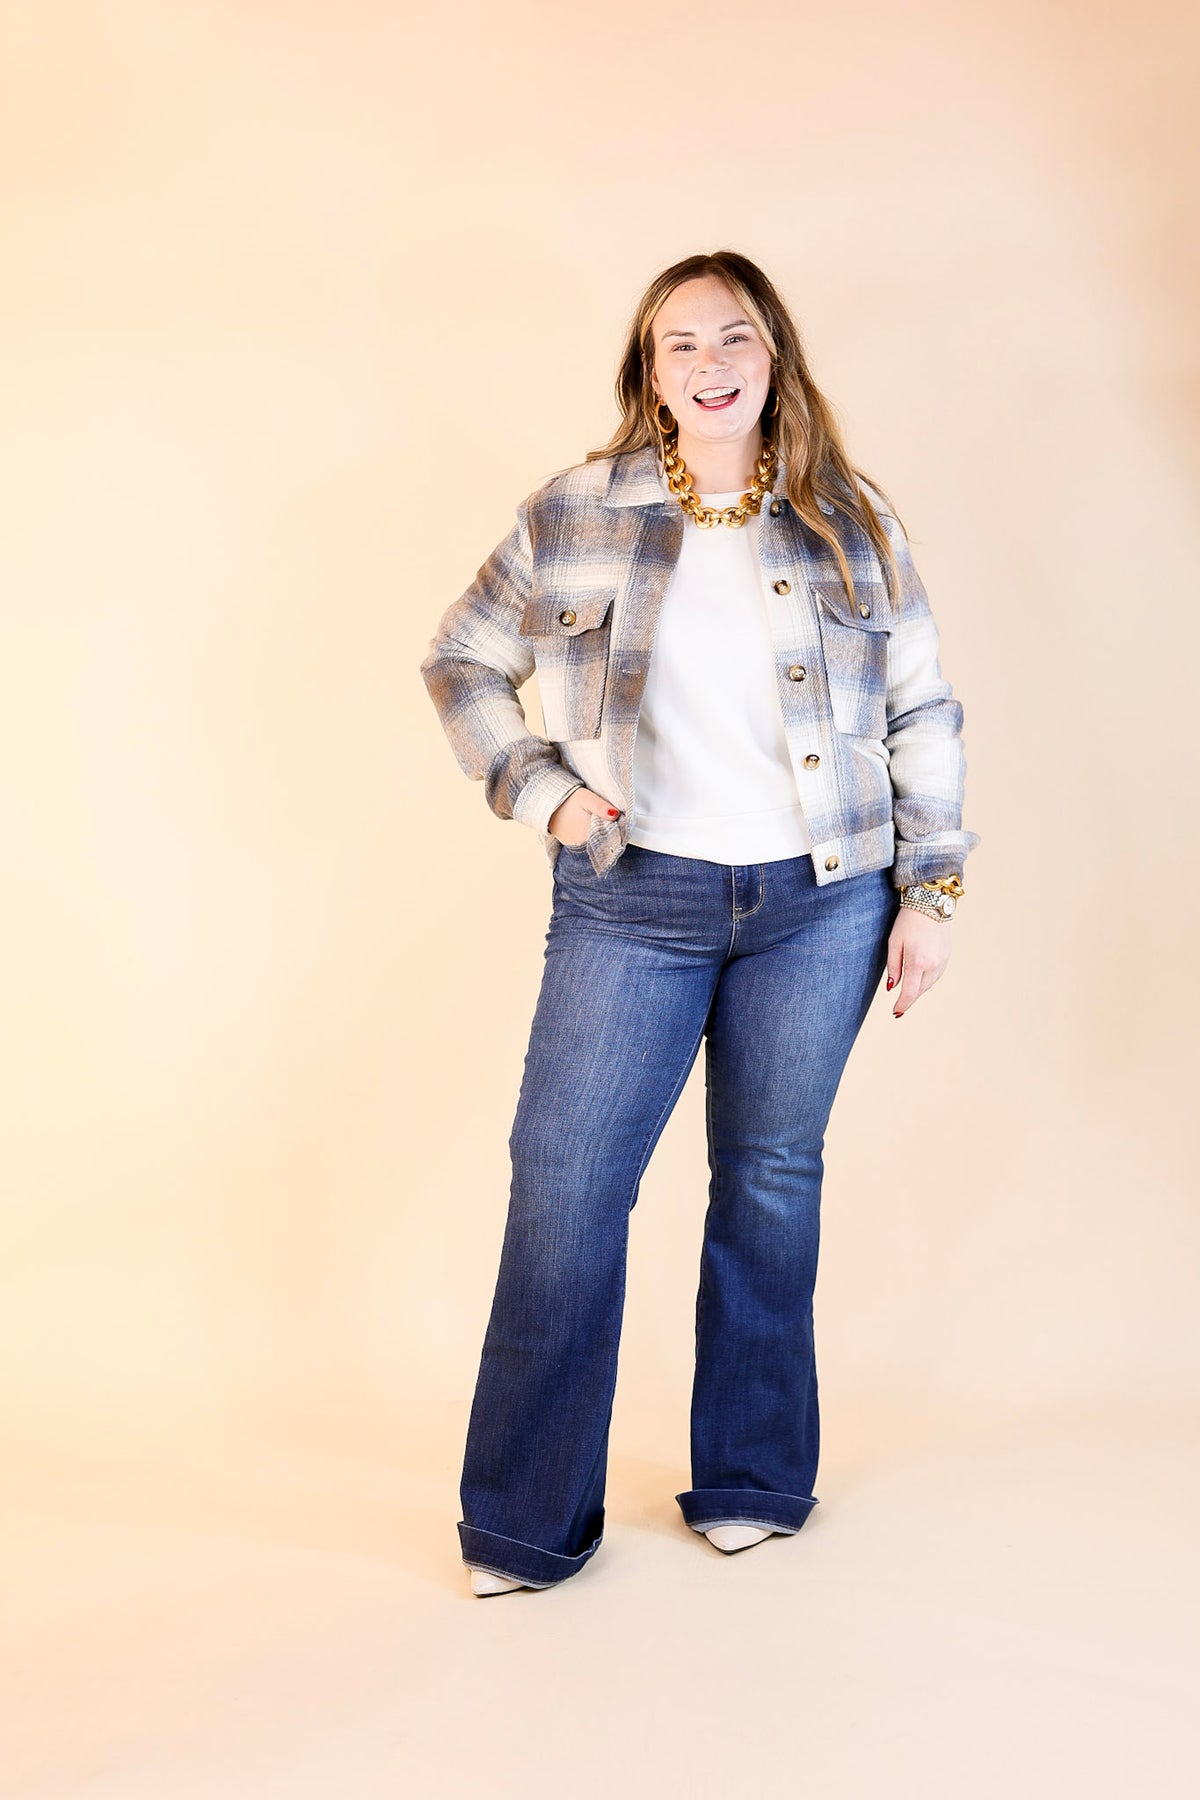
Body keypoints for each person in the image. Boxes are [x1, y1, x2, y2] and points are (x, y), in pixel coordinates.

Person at [420, 249, 981, 1597]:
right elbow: (462, 659)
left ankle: (752, 1474)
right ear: (650, 372)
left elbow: (920, 708)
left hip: (821, 901)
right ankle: (526, 1524)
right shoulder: (576, 511)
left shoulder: (850, 520)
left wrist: (931, 892)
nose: (709, 363)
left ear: (773, 355)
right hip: (634, 899)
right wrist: (545, 792)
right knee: (565, 1182)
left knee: (771, 1177)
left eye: (734, 337)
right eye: (680, 344)